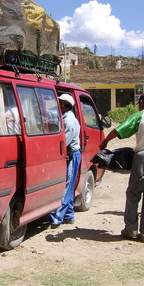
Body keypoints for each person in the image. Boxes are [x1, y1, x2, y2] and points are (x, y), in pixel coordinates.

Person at [99, 92, 144, 244]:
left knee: (133, 194)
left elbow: (120, 129)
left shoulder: (141, 115)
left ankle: (130, 229)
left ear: (142, 103)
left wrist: (105, 141)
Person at [49, 93, 81, 227]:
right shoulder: (67, 118)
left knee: (66, 188)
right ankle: (69, 215)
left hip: (72, 155)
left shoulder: (69, 120)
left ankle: (57, 218)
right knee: (70, 185)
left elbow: (64, 143)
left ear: (65, 105)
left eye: (60, 103)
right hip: (73, 154)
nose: (58, 105)